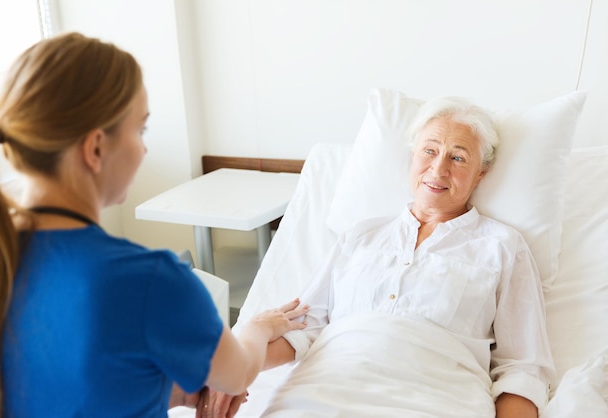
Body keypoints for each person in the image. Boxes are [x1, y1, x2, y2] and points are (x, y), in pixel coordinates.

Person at [0, 32, 308, 418]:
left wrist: (169, 393)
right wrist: (257, 328)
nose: (144, 149)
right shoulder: (149, 279)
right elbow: (236, 377)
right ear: (96, 148)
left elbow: (65, 385)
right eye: (141, 130)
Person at [208, 97, 555, 418]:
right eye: (429, 151)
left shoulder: (502, 246)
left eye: (458, 157)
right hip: (322, 391)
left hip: (438, 399)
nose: (438, 168)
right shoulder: (360, 235)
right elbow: (303, 326)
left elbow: (523, 369)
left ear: (481, 172)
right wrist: (232, 373)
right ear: (412, 157)